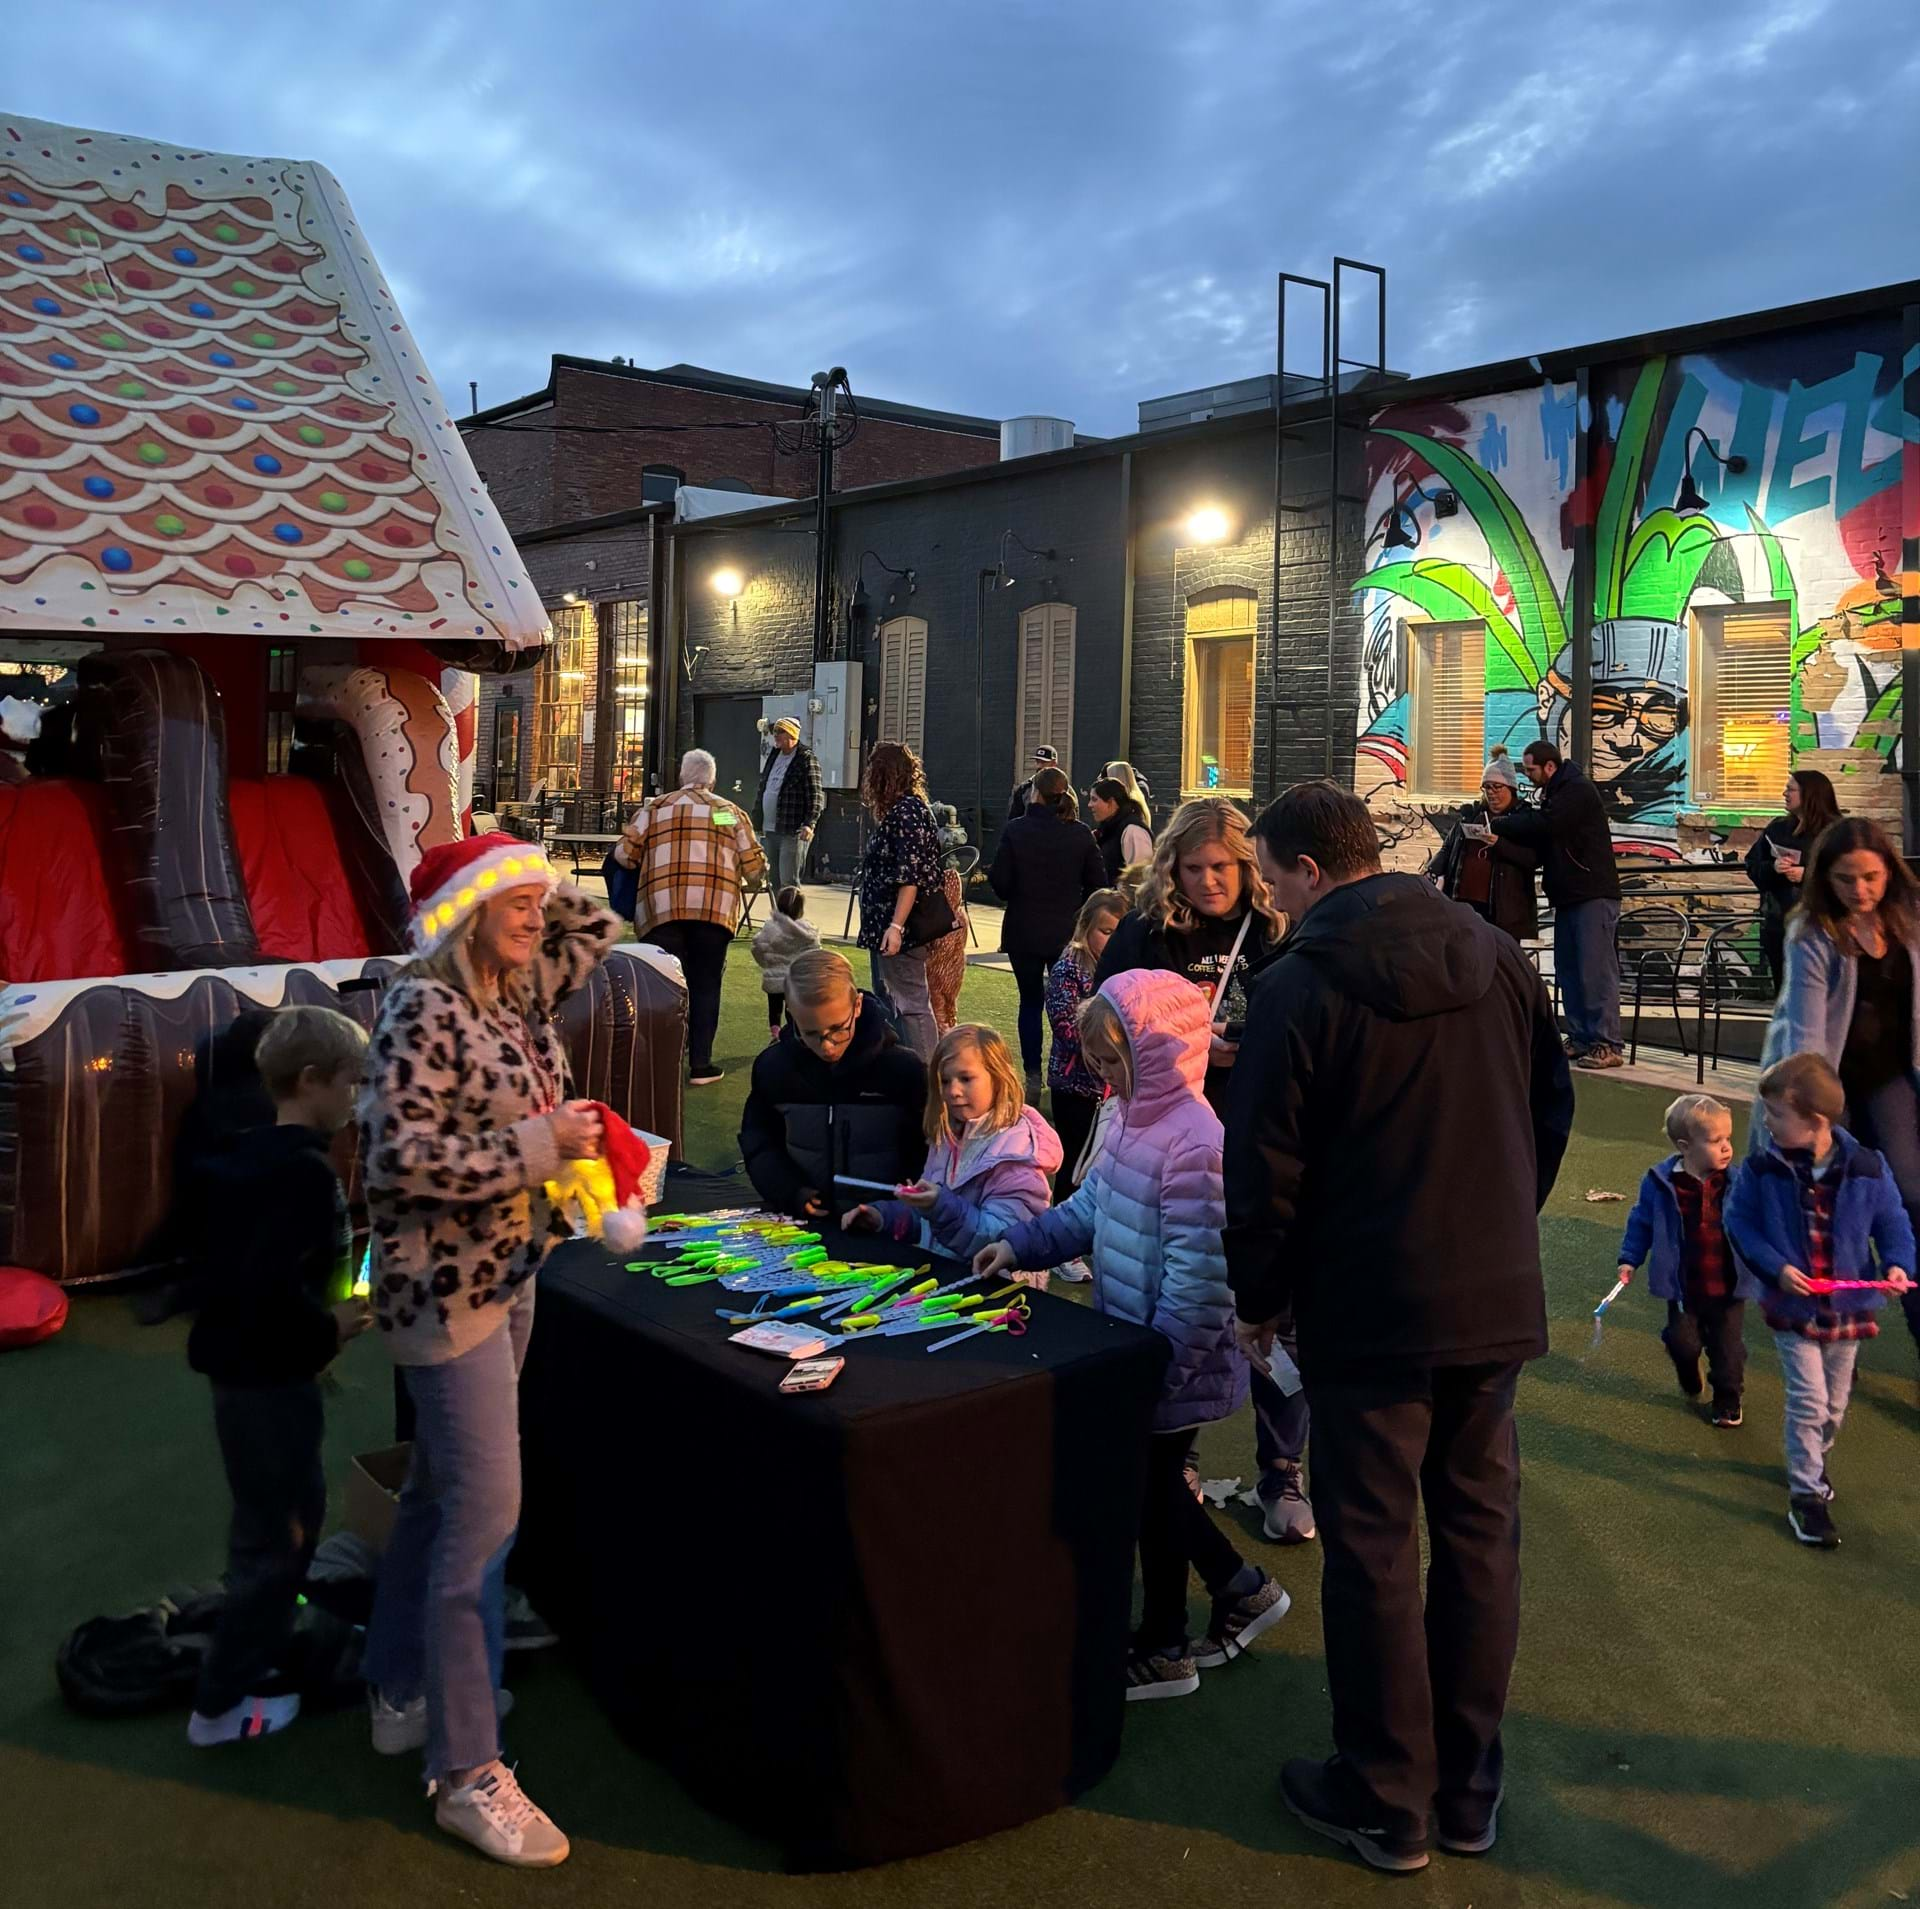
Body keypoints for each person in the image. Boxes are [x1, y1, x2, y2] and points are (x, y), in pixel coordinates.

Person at [1225, 780, 1574, 1874]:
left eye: (1272, 879)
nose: (1267, 900)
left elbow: (1263, 1172)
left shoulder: (1300, 983)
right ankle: (1463, 1788)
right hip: (1486, 1293)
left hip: (1371, 1304)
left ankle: (1389, 1795)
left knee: (1376, 1547)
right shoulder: (1496, 955)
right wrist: (1500, 1224)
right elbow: (1547, 1108)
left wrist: (1259, 1296)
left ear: (1312, 871)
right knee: (1476, 1540)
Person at [357, 833, 619, 1868]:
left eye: (537, 898)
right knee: (483, 1516)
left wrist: (537, 883)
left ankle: (399, 1686)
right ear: (467, 911)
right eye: (515, 900)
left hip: (507, 1276)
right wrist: (538, 1146)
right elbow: (396, 1158)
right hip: (446, 1294)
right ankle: (467, 1768)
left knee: (434, 1492)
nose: (539, 913)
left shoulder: (511, 994)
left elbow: (596, 926)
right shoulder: (425, 1010)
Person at [975, 970, 1290, 1700]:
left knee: (1152, 1489)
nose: (1107, 1078)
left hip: (1166, 1358)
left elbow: (1201, 1287)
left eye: (1117, 1061)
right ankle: (1229, 1596)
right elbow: (1090, 1208)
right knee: (1154, 1488)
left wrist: (1156, 1374)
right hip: (1137, 1348)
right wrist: (1022, 1245)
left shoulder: (1196, 1144)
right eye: (1101, 1064)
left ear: (1159, 1050)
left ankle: (1170, 1639)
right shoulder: (1126, 1117)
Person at [1094, 796, 1303, 1539]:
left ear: (1249, 866)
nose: (1211, 880)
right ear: (1172, 869)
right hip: (1171, 1139)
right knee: (1173, 1298)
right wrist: (1182, 1048)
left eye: (1224, 866)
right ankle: (1171, 1452)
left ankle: (1282, 1469)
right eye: (1195, 867)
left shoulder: (1282, 928)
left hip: (1262, 1135)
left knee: (1275, 1309)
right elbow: (1107, 1022)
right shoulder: (1147, 930)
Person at [184, 1006, 371, 1748]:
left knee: (285, 1521)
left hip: (253, 1376)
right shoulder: (296, 1173)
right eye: (350, 1083)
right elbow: (264, 1290)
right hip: (266, 1381)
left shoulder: (243, 1156)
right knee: (277, 1535)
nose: (356, 1099)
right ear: (309, 1080)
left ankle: (262, 1646)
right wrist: (332, 1326)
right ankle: (222, 1702)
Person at [1726, 1051, 1914, 1548]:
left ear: (1815, 1122)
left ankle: (1812, 1459)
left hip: (1847, 1310)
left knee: (1833, 1406)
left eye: (1776, 1115)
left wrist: (1897, 1264)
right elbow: (1739, 1221)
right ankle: (1806, 1493)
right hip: (1794, 1308)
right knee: (1809, 1402)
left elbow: (1892, 1221)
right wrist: (1777, 1268)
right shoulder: (1763, 1167)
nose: (1766, 1124)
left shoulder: (1868, 1166)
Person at [1758, 816, 1920, 1370]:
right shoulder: (1812, 932)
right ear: (1825, 879)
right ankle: (1827, 1316)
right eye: (1846, 879)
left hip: (1892, 1077)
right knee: (1836, 1197)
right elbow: (1804, 1032)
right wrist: (1811, 1113)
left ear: (1889, 873)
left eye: (1871, 877)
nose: (1861, 891)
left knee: (1914, 1198)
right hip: (1830, 1081)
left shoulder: (1907, 921)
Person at [843, 1024, 1061, 1260]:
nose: (954, 1090)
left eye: (966, 1078)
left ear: (998, 1078)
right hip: (945, 1282)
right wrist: (883, 1218)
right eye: (945, 1081)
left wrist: (940, 1206)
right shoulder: (947, 1137)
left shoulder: (1017, 1155)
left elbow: (1001, 1237)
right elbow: (928, 1222)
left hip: (993, 1289)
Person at [739, 947, 927, 1220]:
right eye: (811, 1034)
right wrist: (790, 1191)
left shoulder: (903, 1070)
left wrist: (893, 1209)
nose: (827, 1046)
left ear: (858, 1006)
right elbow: (759, 1140)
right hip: (800, 1223)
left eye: (838, 1029)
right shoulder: (773, 1068)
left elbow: (927, 1151)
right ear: (791, 1015)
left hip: (885, 1224)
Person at [617, 748, 767, 1087]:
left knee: (663, 986)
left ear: (683, 777)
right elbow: (755, 868)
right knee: (705, 984)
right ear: (712, 780)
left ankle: (660, 1061)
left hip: (661, 912)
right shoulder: (727, 813)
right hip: (713, 913)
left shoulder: (655, 808)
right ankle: (700, 1065)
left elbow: (625, 855)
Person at [1614, 1094, 1754, 1427]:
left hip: (1727, 1289)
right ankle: (1688, 1369)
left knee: (1729, 1353)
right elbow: (1641, 1222)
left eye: (1728, 1139)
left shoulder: (1737, 1183)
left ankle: (1727, 1400)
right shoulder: (1661, 1184)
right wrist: (1629, 1259)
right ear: (1685, 1146)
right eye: (1715, 1140)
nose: (1726, 1148)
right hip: (1684, 1288)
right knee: (1682, 1343)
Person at [1491, 738, 1623, 1070]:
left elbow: (1544, 826)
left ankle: (1606, 1042)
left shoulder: (1575, 791)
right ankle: (1580, 1037)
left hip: (1591, 893)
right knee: (1568, 969)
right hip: (1570, 895)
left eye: (1531, 769)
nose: (1528, 775)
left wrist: (1500, 826)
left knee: (1594, 970)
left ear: (1549, 766)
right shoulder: (1556, 792)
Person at [991, 765, 1107, 1096]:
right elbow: (1099, 886)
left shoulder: (1017, 830)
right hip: (1066, 933)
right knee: (1069, 1005)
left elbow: (1000, 883)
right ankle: (1068, 1068)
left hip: (1024, 930)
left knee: (1030, 1001)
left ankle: (1031, 1074)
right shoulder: (1080, 833)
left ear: (1036, 794)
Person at [856, 741, 946, 1062]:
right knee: (893, 1001)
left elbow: (910, 877)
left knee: (910, 1005)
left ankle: (926, 1081)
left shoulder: (906, 813)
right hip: (890, 925)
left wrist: (895, 926)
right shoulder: (910, 810)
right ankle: (907, 1070)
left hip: (900, 928)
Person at [1046, 888, 1127, 1197]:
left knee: (1102, 1167)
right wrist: (1106, 1046)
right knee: (1074, 1164)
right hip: (1075, 1086)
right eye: (1105, 931)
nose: (1112, 940)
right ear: (1086, 928)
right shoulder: (1069, 969)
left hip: (1110, 1088)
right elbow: (1065, 1024)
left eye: (1119, 932)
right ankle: (1060, 1235)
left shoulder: (1125, 970)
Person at [1427, 747, 1540, 943]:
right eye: (1487, 787)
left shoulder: (1523, 819)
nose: (1492, 793)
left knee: (1499, 965)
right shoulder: (1472, 815)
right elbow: (1448, 848)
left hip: (1501, 912)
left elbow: (1532, 859)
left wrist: (1499, 844)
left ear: (1511, 788)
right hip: (1464, 906)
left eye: (1498, 787)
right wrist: (1432, 869)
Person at [1745, 770, 1841, 987]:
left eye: (1790, 789)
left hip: (1822, 926)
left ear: (1809, 794)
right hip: (1779, 925)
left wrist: (1807, 875)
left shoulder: (1835, 832)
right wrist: (1773, 868)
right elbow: (1752, 865)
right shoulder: (1778, 828)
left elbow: (1847, 878)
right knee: (1784, 991)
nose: (1784, 793)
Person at [757, 715, 826, 888]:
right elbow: (763, 786)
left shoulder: (806, 758)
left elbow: (816, 794)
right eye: (774, 731)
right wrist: (756, 818)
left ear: (792, 735)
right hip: (770, 829)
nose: (775, 735)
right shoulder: (773, 756)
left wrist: (810, 823)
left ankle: (790, 915)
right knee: (773, 881)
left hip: (792, 830)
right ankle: (779, 915)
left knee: (788, 881)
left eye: (780, 732)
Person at [750, 885, 820, 1043]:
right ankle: (793, 1034)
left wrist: (766, 964)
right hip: (796, 980)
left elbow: (757, 948)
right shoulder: (807, 931)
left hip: (773, 980)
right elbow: (815, 953)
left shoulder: (769, 928)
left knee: (774, 1009)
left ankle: (775, 1034)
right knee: (793, 1009)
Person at [925, 859, 970, 1036]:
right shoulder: (960, 916)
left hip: (940, 974)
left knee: (940, 1014)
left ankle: (943, 1043)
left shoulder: (946, 920)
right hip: (955, 970)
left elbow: (940, 952)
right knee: (949, 1010)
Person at [1089, 776, 1155, 886]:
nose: (1090, 805)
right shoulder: (1107, 830)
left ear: (1111, 802)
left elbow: (1140, 877)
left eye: (1094, 799)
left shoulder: (1133, 831)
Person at [1008, 742, 1060, 819]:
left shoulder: (1064, 789)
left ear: (1054, 763)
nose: (1040, 766)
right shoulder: (1024, 789)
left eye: (1044, 762)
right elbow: (1013, 819)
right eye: (1038, 762)